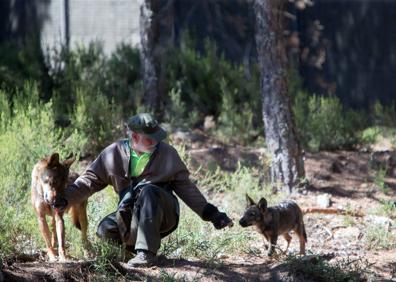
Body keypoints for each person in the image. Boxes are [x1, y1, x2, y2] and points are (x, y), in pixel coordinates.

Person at [54, 113, 233, 267]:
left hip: (164, 213)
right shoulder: (113, 153)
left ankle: (147, 254)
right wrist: (66, 197)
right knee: (105, 229)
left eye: (156, 137)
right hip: (132, 214)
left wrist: (213, 214)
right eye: (149, 138)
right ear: (134, 137)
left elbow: (186, 188)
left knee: (148, 191)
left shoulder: (167, 153)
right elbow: (89, 180)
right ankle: (130, 255)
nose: (155, 142)